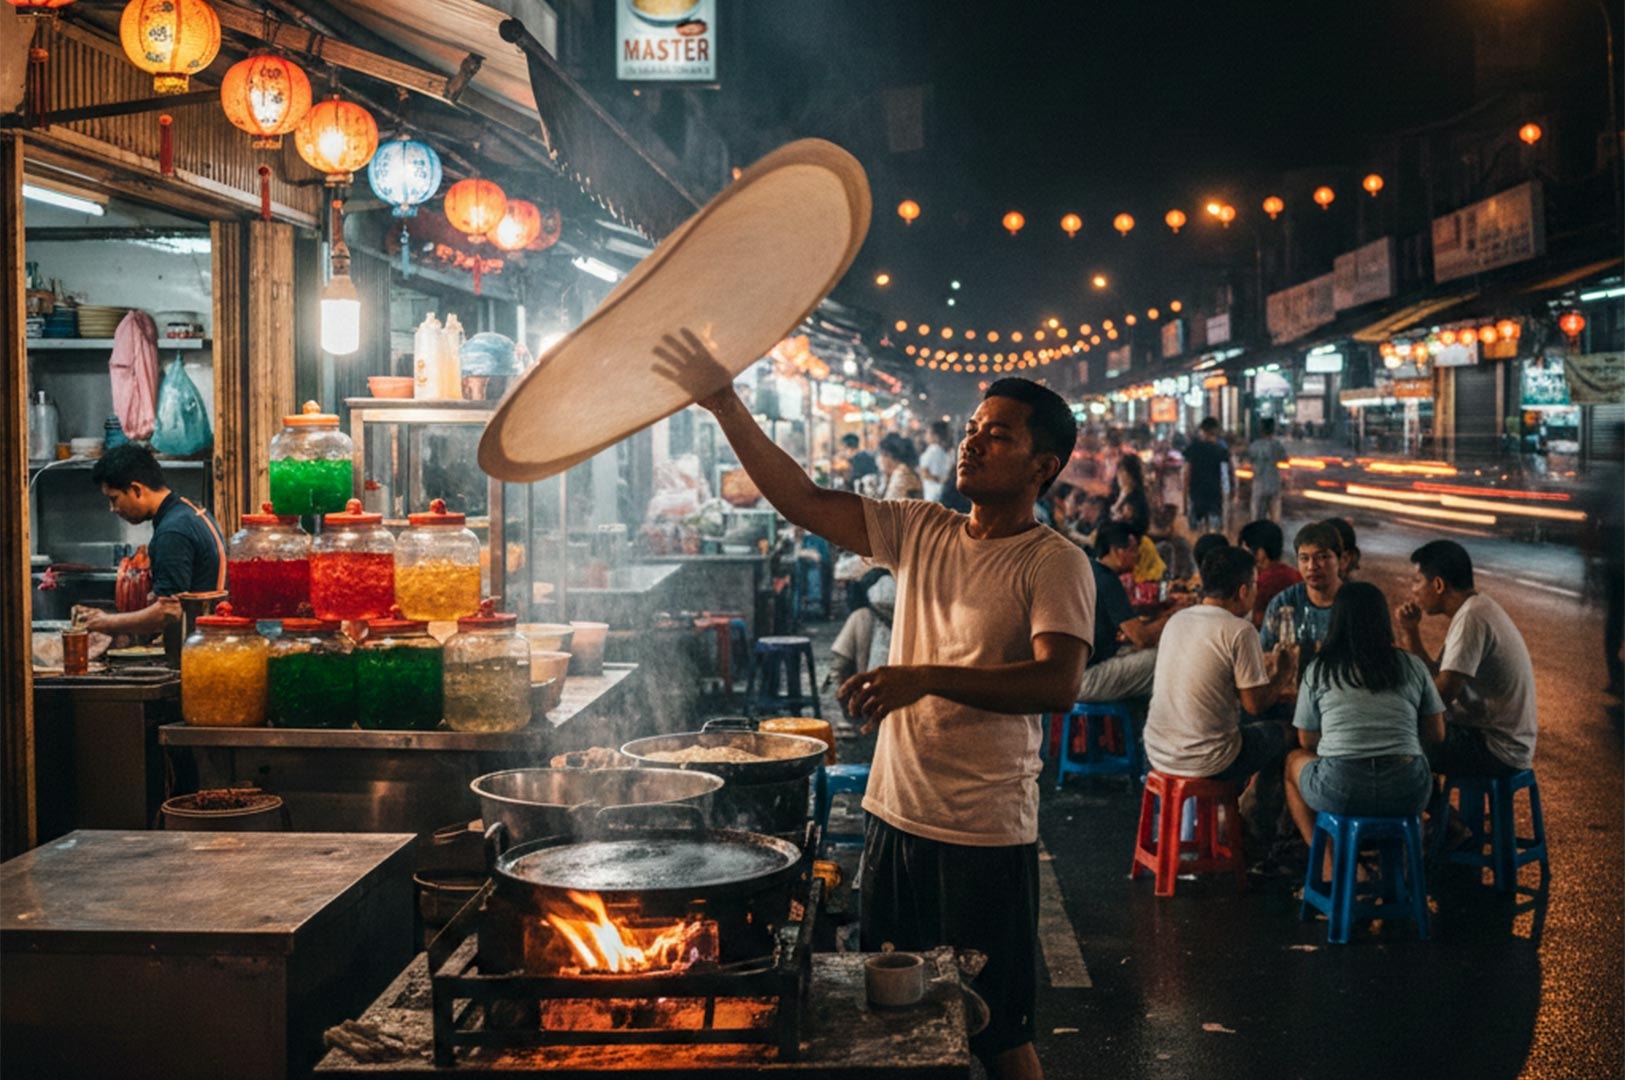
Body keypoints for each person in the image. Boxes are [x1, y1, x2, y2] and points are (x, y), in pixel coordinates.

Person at [655, 331, 1091, 1080]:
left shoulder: (1052, 562)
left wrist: (923, 677)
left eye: (997, 435)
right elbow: (799, 499)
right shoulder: (921, 528)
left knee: (996, 1033)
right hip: (894, 817)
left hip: (980, 835)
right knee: (892, 1018)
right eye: (971, 430)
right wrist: (725, 403)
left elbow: (1057, 684)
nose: (972, 443)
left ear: (1041, 467)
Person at [1284, 582, 1446, 855]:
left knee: (1292, 762)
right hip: (1407, 791)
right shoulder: (1412, 665)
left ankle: (1328, 862)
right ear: (1383, 621)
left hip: (1341, 789)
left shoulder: (1320, 669)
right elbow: (1437, 734)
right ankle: (1401, 875)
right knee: (1420, 772)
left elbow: (1307, 741)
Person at [1143, 545, 1297, 787]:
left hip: (1157, 751)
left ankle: (1238, 805)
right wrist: (1283, 673)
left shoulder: (1177, 620)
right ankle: (1257, 814)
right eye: (1255, 584)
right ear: (1244, 590)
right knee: (1287, 733)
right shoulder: (1240, 630)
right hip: (1209, 760)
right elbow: (1254, 705)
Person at [1396, 540, 1537, 780]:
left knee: (1394, 740)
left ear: (1438, 584)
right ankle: (1441, 813)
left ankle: (1443, 815)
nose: (1414, 590)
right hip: (1495, 739)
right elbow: (1439, 678)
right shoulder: (1475, 608)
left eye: (1417, 581)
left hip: (1496, 749)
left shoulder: (1471, 618)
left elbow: (1439, 697)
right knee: (1411, 731)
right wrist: (1411, 633)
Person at [81, 443, 227, 637]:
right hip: (210, 639)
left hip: (197, 647)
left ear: (136, 489)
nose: (112, 508)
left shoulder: (172, 532)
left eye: (114, 498)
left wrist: (107, 622)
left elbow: (168, 613)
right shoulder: (189, 510)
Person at [1077, 522, 1170, 702]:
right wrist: (1168, 619)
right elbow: (1141, 638)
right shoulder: (1107, 579)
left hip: (1072, 674)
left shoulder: (1088, 568)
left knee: (1136, 655)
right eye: (1133, 550)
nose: (1136, 556)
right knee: (1161, 657)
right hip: (1085, 679)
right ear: (1117, 552)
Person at [1260, 521, 1344, 656]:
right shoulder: (1283, 604)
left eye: (1322, 557)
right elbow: (1264, 656)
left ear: (1340, 560)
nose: (1311, 566)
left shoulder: (1357, 603)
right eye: (1304, 558)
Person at [1238, 519, 1302, 628]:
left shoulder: (1262, 582)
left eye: (1245, 550)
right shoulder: (1295, 574)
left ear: (1260, 553)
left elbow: (1253, 620)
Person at [1183, 416, 1230, 532]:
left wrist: (1184, 498)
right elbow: (1226, 477)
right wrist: (1230, 495)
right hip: (1215, 496)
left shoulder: (1193, 448)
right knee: (1215, 533)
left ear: (1202, 431)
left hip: (1196, 495)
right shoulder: (1221, 450)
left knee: (1196, 532)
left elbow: (1186, 474)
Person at [1247, 418, 1288, 522]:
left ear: (1261, 429)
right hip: (1274, 482)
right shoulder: (1277, 445)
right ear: (1273, 429)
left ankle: (1257, 534)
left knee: (1257, 516)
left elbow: (1249, 460)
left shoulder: (1254, 445)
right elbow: (1285, 459)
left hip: (1259, 482)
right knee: (1275, 516)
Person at [1111, 452, 1151, 538]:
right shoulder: (1118, 493)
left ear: (1132, 474)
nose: (1120, 475)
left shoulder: (1136, 498)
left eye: (1123, 471)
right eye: (1119, 471)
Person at [878, 433, 924, 501]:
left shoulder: (900, 476)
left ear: (889, 457)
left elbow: (887, 507)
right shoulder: (906, 471)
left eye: (882, 455)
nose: (880, 460)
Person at [919, 420, 954, 502]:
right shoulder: (945, 452)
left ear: (935, 436)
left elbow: (924, 472)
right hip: (941, 492)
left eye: (927, 433)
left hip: (931, 494)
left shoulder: (932, 450)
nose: (926, 436)